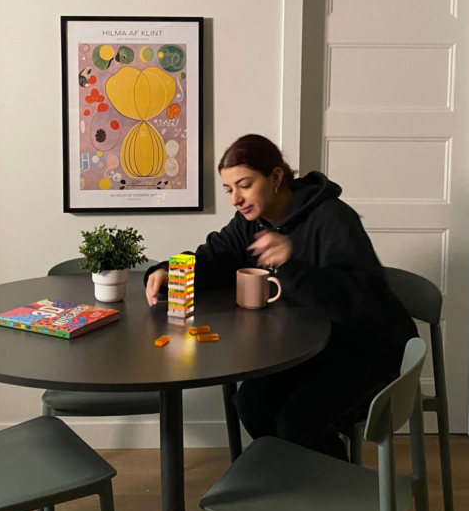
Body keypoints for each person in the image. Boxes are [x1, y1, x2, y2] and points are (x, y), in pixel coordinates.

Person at [143, 134, 418, 461]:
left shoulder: (331, 217)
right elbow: (215, 258)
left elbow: (362, 298)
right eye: (229, 190)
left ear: (275, 177)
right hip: (310, 347)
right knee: (250, 404)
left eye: (244, 185)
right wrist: (168, 271)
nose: (236, 199)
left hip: (369, 347)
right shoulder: (249, 223)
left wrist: (291, 264)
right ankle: (292, 480)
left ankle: (338, 496)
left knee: (297, 422)